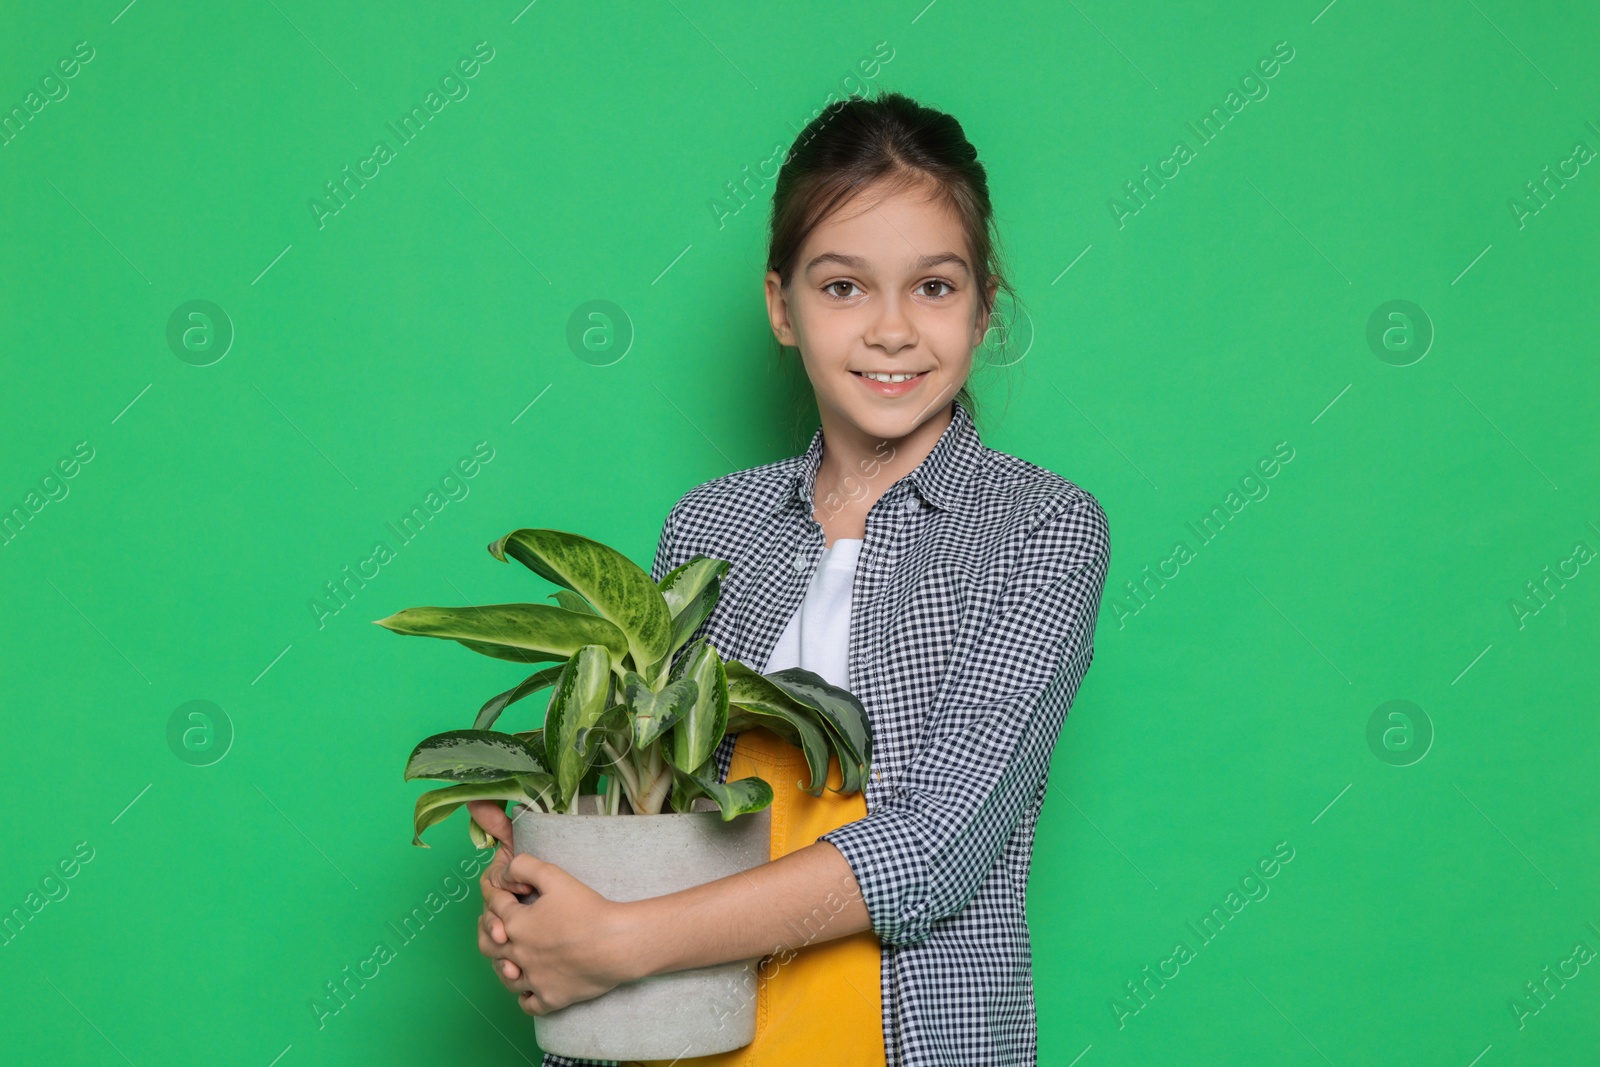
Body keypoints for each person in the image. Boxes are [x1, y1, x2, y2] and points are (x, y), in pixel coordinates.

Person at [466, 90, 1111, 1067]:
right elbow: (653, 798)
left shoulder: (1042, 528)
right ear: (780, 305)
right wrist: (538, 890)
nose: (890, 329)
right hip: (674, 1035)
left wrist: (618, 942)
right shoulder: (710, 522)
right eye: (842, 286)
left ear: (984, 305)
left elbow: (933, 849)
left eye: (932, 287)